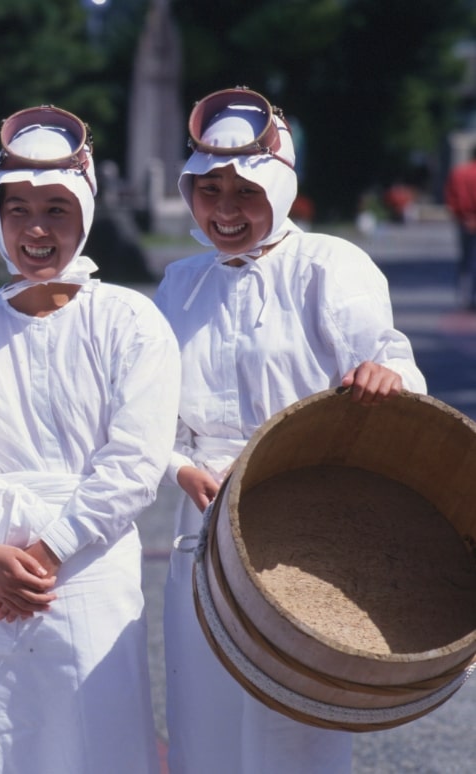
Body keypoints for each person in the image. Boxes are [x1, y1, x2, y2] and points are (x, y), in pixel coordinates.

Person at [155, 87, 426, 774]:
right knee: (203, 729)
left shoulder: (330, 267)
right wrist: (176, 464)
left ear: (279, 186)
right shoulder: (179, 284)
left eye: (243, 191)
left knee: (296, 736)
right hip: (202, 533)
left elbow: (396, 367)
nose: (222, 210)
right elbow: (149, 414)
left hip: (303, 530)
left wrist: (384, 379)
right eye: (207, 189)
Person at [0, 106, 176, 774]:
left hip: (89, 566)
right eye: (19, 209)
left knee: (94, 734)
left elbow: (134, 463)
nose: (36, 230)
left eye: (57, 210)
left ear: (87, 212)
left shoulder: (130, 320)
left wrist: (46, 550)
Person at [444, 147, 476, 309]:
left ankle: (464, 296)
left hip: (464, 221)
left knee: (465, 259)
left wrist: (463, 217)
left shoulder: (458, 173)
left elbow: (451, 198)